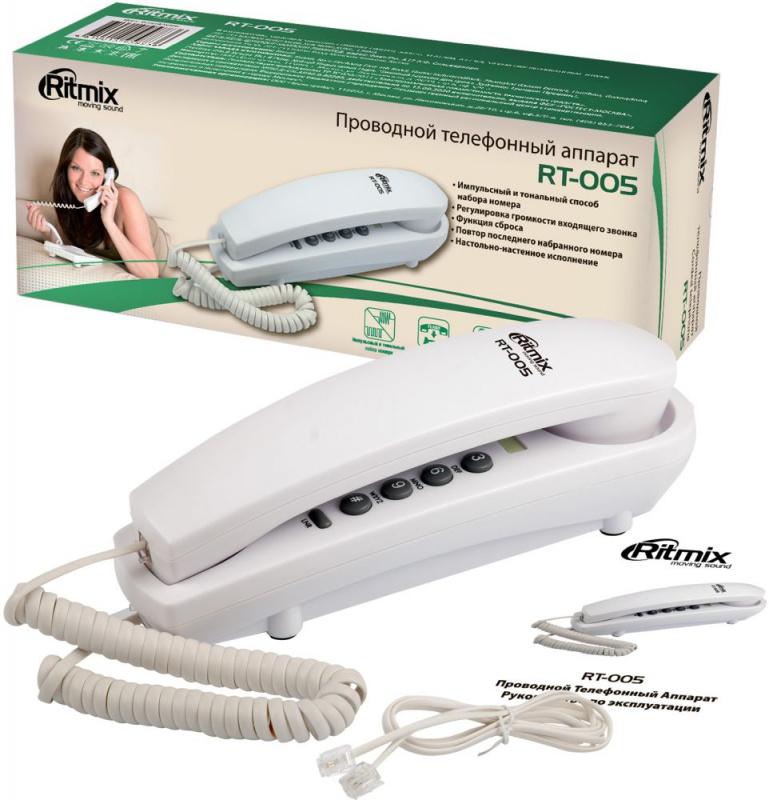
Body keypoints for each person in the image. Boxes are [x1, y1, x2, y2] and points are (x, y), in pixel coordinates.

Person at [25, 128, 159, 278]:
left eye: (95, 173)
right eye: (76, 168)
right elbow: (71, 248)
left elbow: (150, 273)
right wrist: (46, 231)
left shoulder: (126, 199)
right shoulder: (71, 195)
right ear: (66, 168)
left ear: (108, 175)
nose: (84, 181)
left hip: (169, 268)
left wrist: (109, 222)